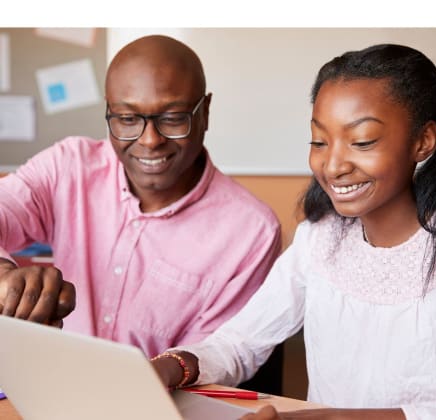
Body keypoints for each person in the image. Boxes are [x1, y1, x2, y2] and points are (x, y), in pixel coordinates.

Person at [150, 44, 436, 419]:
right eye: (319, 141)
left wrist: (337, 418)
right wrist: (175, 365)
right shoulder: (321, 238)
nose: (332, 166)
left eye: (362, 142)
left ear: (423, 141)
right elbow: (239, 343)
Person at [0, 35, 282, 359]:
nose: (149, 140)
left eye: (173, 118)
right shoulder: (68, 166)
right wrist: (4, 275)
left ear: (204, 113)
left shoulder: (252, 232)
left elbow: (211, 362)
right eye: (128, 119)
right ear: (109, 111)